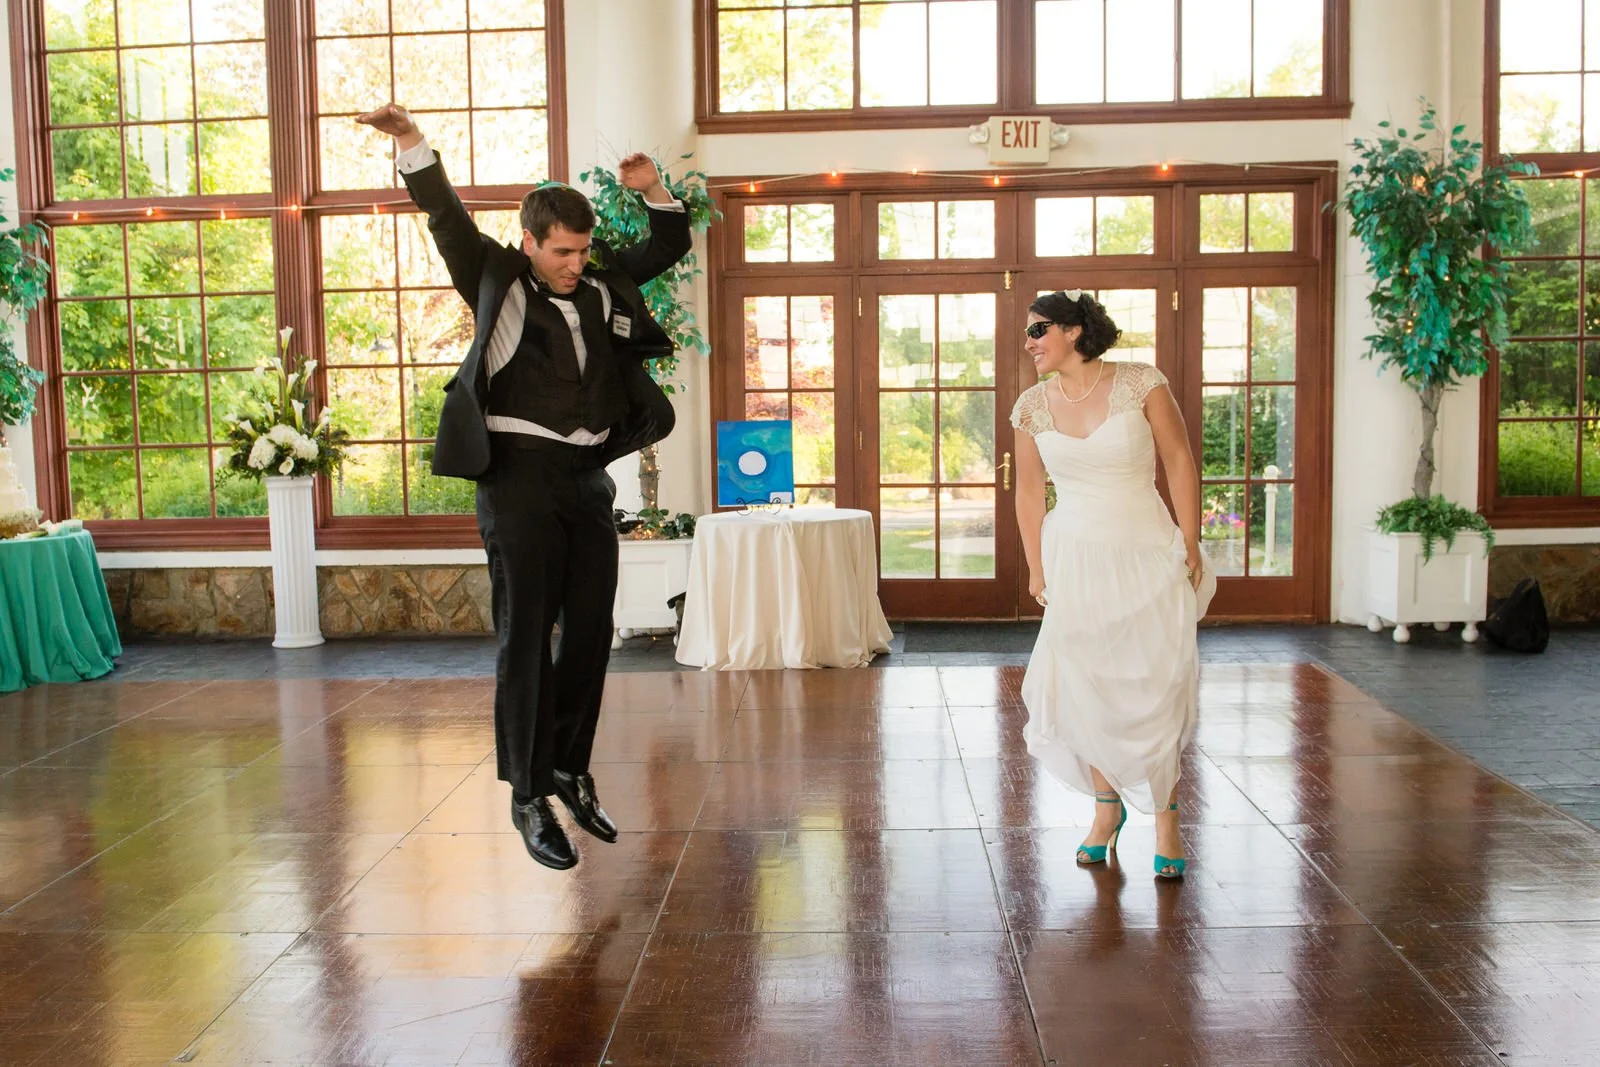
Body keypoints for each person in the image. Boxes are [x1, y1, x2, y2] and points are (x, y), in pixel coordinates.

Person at [356, 104, 692, 871]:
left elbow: (667, 242)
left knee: (592, 632)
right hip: (516, 479)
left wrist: (654, 190)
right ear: (530, 241)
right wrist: (412, 143)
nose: (575, 262)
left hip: (585, 478)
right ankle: (528, 794)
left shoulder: (602, 283)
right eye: (562, 251)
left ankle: (570, 768)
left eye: (583, 249)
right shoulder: (495, 278)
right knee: (526, 638)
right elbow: (443, 215)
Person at [1009, 290, 1215, 880]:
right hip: (1073, 556)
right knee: (1087, 685)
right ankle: (1106, 812)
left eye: (1039, 329)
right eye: (1027, 332)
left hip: (1146, 549)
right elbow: (1028, 493)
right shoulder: (1031, 406)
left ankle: (1167, 820)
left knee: (1158, 684)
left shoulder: (1140, 382)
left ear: (1075, 330)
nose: (1029, 343)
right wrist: (1036, 567)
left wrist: (1190, 540)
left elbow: (1178, 459)